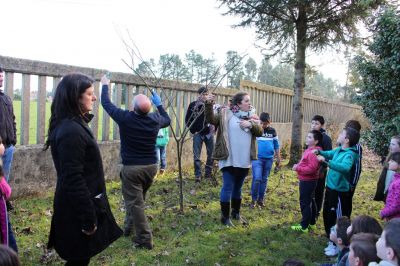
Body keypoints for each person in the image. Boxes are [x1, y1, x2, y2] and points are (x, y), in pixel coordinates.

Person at [45, 73, 122, 265]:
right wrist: (88, 217)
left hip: (79, 204)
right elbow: (73, 178)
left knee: (80, 258)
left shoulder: (73, 125)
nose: (94, 98)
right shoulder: (71, 131)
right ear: (75, 97)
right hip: (76, 208)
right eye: (89, 94)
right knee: (78, 259)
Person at [101, 77, 170, 249]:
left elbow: (107, 104)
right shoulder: (155, 119)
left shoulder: (126, 118)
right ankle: (128, 228)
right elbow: (167, 119)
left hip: (132, 170)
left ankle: (145, 239)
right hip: (151, 168)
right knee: (136, 200)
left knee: (136, 203)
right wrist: (159, 104)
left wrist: (104, 85)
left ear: (132, 108)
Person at [205, 91, 262, 226]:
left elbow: (260, 131)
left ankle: (236, 213)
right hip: (229, 158)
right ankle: (225, 218)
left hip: (244, 160)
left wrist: (251, 125)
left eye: (249, 100)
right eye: (246, 101)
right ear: (238, 103)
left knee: (238, 188)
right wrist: (208, 104)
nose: (250, 103)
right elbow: (211, 119)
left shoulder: (252, 116)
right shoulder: (226, 114)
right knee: (228, 187)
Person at [314, 127, 360, 256]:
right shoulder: (339, 150)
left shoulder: (350, 154)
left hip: (340, 193)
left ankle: (339, 244)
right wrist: (319, 152)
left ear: (347, 139)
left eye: (341, 134)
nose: (339, 135)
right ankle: (331, 240)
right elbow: (329, 153)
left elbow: (345, 168)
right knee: (327, 215)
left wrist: (327, 162)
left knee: (338, 219)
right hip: (330, 189)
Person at [291, 130, 323, 233]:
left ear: (316, 141)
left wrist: (298, 169)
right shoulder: (309, 149)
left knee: (305, 202)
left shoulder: (314, 152)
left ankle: (304, 226)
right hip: (307, 180)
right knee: (310, 200)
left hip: (308, 181)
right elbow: (305, 163)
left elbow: (312, 168)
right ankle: (312, 223)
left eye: (310, 137)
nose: (307, 138)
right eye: (307, 136)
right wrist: (299, 165)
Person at [250, 112, 281, 208]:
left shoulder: (273, 131)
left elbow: (276, 145)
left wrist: (278, 158)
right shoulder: (256, 130)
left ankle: (260, 199)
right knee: (257, 178)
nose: (263, 125)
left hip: (269, 159)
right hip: (257, 158)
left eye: (265, 123)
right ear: (259, 121)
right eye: (262, 123)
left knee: (264, 179)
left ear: (269, 122)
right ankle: (253, 200)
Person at [185, 86, 215, 182]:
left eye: (206, 94)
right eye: (203, 94)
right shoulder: (193, 105)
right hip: (197, 134)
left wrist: (214, 130)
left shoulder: (211, 105)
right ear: (199, 95)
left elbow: (215, 119)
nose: (205, 96)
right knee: (196, 155)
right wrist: (194, 131)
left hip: (209, 134)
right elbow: (187, 120)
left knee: (211, 154)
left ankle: (208, 174)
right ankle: (197, 175)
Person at [311, 115, 332, 220]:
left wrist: (322, 169)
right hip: (310, 169)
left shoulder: (326, 139)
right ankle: (310, 210)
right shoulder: (311, 136)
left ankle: (317, 212)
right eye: (312, 123)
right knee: (311, 191)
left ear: (322, 125)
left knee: (319, 191)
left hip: (320, 170)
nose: (314, 125)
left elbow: (328, 156)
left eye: (316, 124)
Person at [0, 66, 17, 183]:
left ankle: (3, 200)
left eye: (1, 76)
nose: (1, 79)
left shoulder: (6, 98)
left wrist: (13, 140)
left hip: (8, 147)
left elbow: (12, 120)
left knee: (3, 182)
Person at [344, 120, 363, 217]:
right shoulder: (342, 143)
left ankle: (345, 226)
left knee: (346, 203)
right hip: (338, 182)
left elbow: (357, 166)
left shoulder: (357, 147)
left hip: (349, 181)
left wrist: (353, 183)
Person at [374, 136, 400, 202]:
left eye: (393, 144)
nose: (390, 146)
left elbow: (392, 167)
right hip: (387, 186)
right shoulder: (391, 155)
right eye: (390, 143)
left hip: (393, 189)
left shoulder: (397, 157)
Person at [380, 152, 400, 220]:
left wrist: (384, 213)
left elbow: (396, 205)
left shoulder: (398, 183)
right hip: (391, 217)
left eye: (392, 161)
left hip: (395, 220)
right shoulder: (396, 178)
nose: (389, 162)